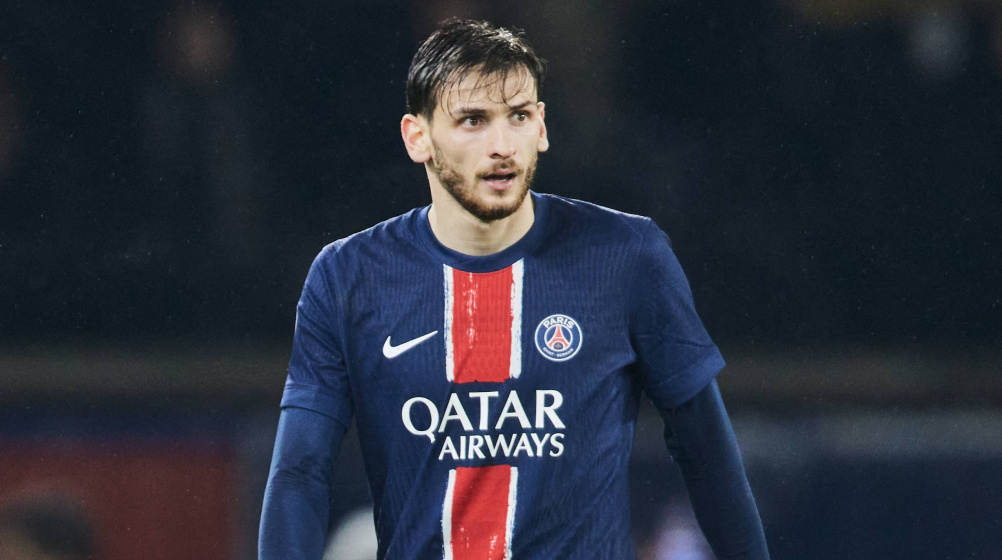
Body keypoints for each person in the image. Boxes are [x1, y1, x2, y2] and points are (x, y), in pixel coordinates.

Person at [260, 19, 769, 560]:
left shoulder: (627, 256)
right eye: (473, 120)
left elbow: (706, 451)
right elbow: (299, 474)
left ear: (541, 126)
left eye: (518, 116)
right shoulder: (348, 277)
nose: (502, 146)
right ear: (417, 137)